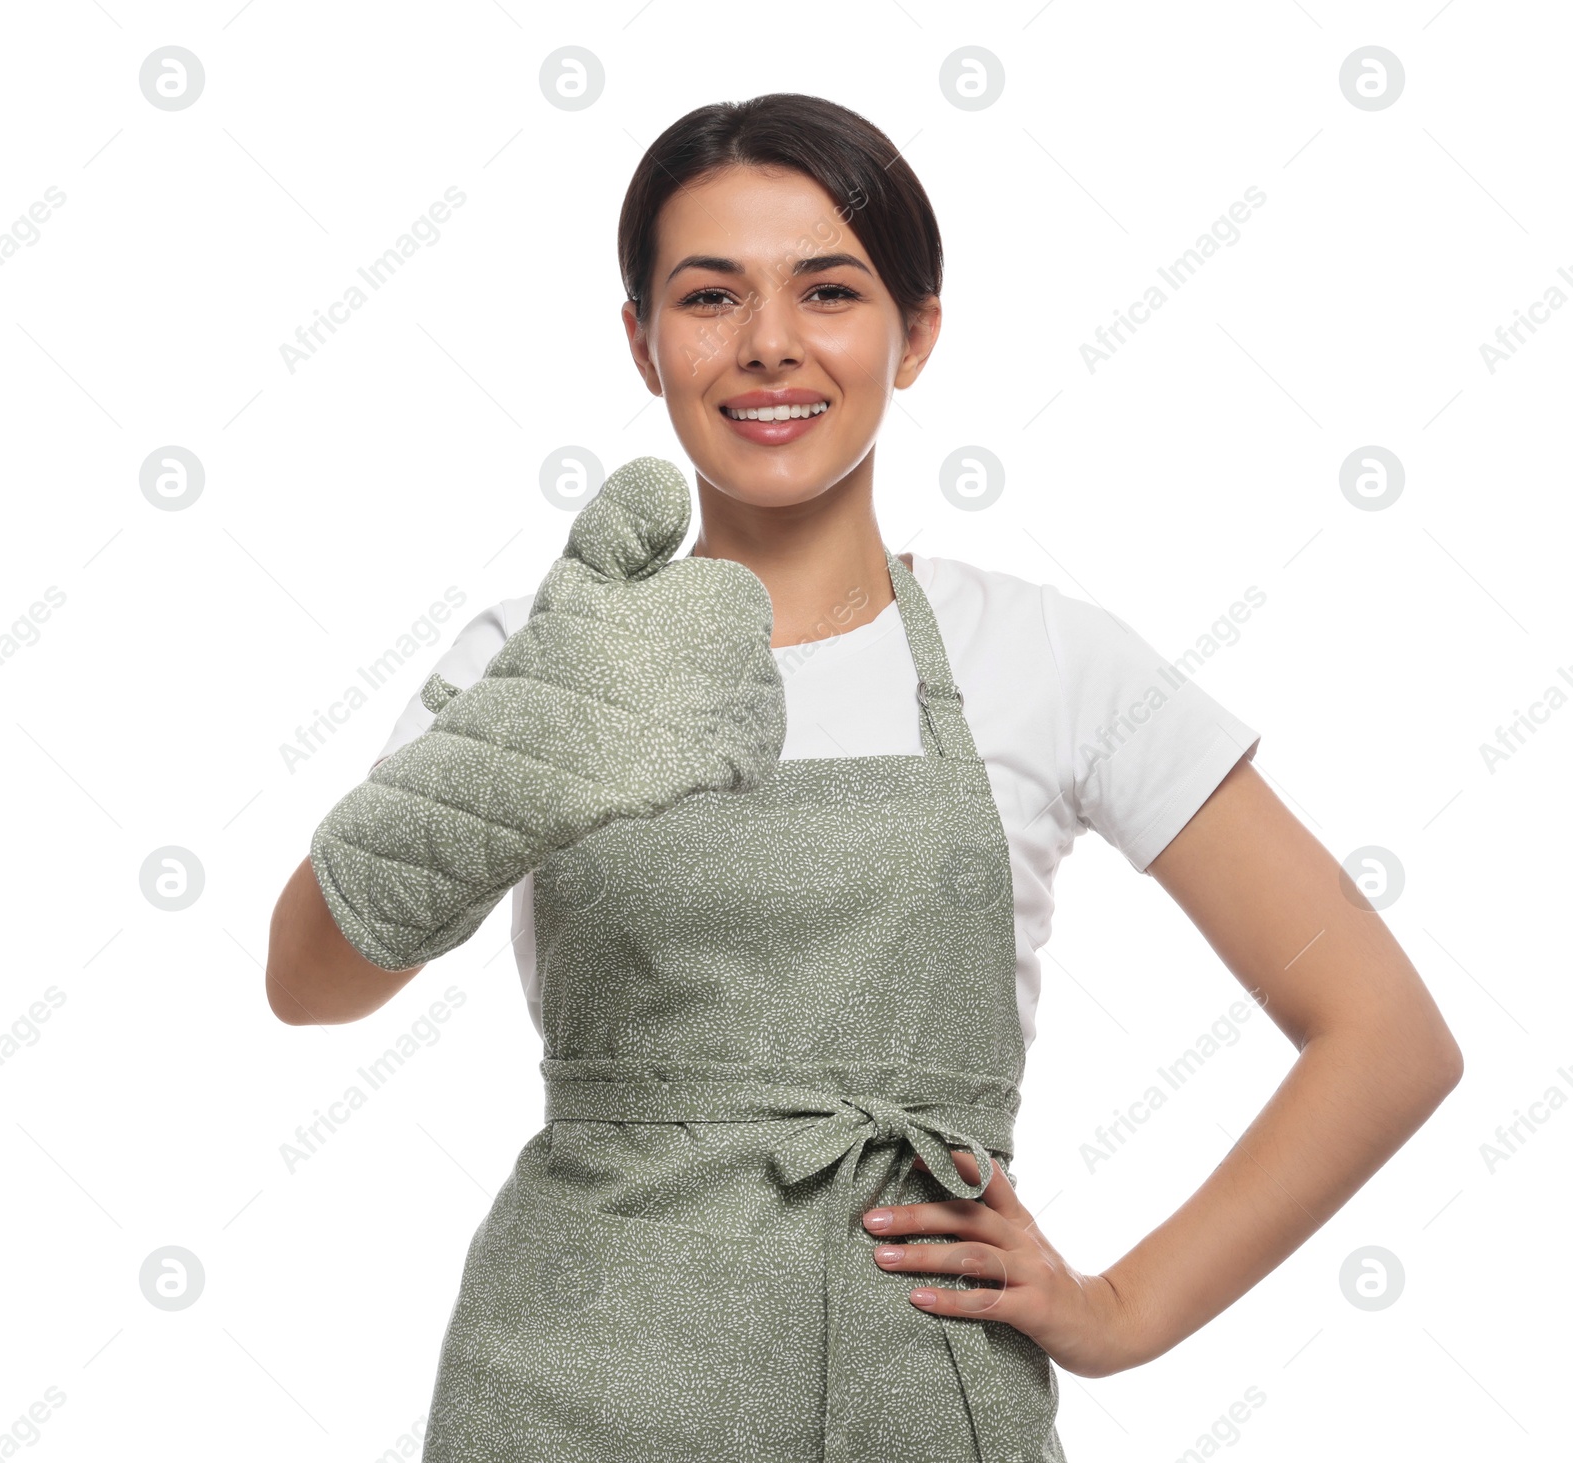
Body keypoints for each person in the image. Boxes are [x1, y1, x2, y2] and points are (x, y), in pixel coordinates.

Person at [266, 92, 1464, 1463]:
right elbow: (310, 985)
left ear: (918, 329)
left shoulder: (1046, 661)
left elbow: (1384, 1032)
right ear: (641, 344)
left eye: (828, 290)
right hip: (566, 1395)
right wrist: (503, 771)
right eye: (708, 296)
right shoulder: (554, 649)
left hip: (924, 1400)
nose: (769, 343)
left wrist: (1122, 1310)